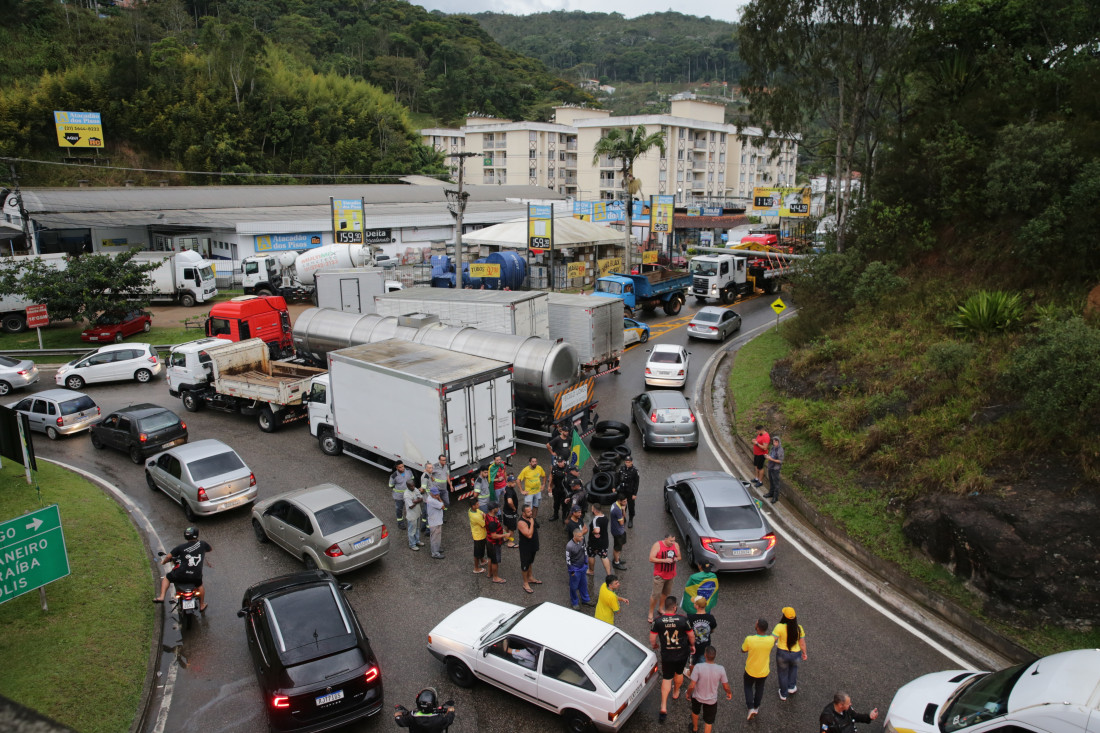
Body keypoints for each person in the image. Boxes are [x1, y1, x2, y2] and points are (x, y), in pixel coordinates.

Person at [650, 595, 695, 724]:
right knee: (679, 673)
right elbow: (691, 635)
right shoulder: (683, 619)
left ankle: (663, 706)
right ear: (675, 607)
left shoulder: (658, 620)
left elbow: (652, 638)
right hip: (681, 653)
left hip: (667, 654)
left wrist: (655, 645)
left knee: (667, 678)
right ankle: (676, 692)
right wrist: (692, 646)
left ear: (665, 607)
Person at [153, 527, 212, 611]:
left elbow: (168, 557)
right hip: (196, 576)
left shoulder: (180, 547)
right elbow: (210, 549)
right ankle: (202, 605)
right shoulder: (202, 544)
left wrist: (163, 562)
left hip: (180, 574)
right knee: (200, 586)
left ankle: (162, 597)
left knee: (167, 578)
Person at [686, 646, 732, 733]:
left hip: (697, 697)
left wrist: (688, 693)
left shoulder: (698, 667)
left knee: (695, 712)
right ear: (714, 656)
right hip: (711, 700)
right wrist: (729, 692)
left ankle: (695, 728)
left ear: (705, 655)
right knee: (708, 722)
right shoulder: (720, 669)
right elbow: (725, 686)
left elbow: (692, 685)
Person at [741, 618, 776, 720]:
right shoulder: (770, 640)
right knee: (759, 688)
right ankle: (756, 707)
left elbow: (743, 650)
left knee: (748, 687)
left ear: (758, 627)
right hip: (764, 671)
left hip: (750, 670)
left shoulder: (750, 639)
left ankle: (750, 707)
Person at [773, 606, 807, 700]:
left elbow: (772, 639)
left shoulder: (779, 627)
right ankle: (791, 687)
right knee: (793, 669)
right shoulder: (799, 628)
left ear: (784, 616)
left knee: (782, 673)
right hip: (796, 654)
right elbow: (802, 643)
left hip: (782, 654)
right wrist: (804, 653)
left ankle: (783, 694)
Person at [648, 532, 681, 624]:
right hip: (660, 575)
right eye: (671, 541)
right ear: (665, 539)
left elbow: (679, 557)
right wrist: (664, 560)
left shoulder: (676, 545)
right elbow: (651, 558)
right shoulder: (657, 545)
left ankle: (661, 608)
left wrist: (675, 559)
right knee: (655, 595)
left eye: (674, 541)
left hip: (671, 575)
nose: (672, 543)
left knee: (665, 593)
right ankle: (651, 612)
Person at [686, 595, 718, 676]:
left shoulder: (691, 618)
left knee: (692, 662)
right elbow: (712, 629)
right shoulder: (710, 618)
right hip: (705, 645)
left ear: (696, 606)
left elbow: (688, 632)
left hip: (693, 646)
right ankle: (701, 675)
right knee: (703, 662)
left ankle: (691, 674)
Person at [517, 505, 542, 593]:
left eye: (531, 511)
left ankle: (530, 577)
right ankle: (525, 583)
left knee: (530, 562)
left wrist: (532, 520)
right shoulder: (521, 522)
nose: (531, 513)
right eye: (528, 512)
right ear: (523, 513)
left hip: (533, 545)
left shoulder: (531, 518)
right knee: (525, 565)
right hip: (525, 547)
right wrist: (531, 523)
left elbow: (537, 527)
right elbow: (529, 535)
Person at [566, 528, 593, 610]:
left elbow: (584, 550)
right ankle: (574, 602)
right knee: (573, 587)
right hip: (575, 569)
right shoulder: (569, 546)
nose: (582, 537)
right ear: (574, 536)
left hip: (582, 567)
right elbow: (568, 559)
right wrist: (572, 571)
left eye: (582, 536)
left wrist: (585, 562)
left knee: (584, 584)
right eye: (580, 536)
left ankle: (585, 599)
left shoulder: (582, 540)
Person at [586, 502, 612, 577]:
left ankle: (591, 570)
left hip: (594, 542)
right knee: (604, 557)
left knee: (591, 555)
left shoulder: (596, 519)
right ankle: (609, 574)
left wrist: (594, 532)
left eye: (592, 509)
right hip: (604, 541)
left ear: (594, 510)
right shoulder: (605, 517)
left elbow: (597, 530)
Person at [484, 502, 506, 583]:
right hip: (494, 543)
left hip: (489, 541)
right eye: (497, 507)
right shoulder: (492, 521)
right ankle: (495, 577)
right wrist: (505, 535)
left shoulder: (488, 515)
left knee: (490, 558)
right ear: (493, 510)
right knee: (495, 561)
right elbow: (494, 536)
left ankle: (489, 573)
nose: (498, 508)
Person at [616, 455, 640, 528]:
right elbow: (618, 478)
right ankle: (623, 517)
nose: (627, 463)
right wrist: (614, 487)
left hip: (630, 491)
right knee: (622, 505)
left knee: (631, 506)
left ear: (631, 462)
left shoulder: (635, 471)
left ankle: (631, 519)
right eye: (626, 462)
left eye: (629, 462)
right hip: (622, 490)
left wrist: (634, 494)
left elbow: (636, 483)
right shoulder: (622, 469)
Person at [389, 461, 414, 529]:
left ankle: (410, 520)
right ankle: (400, 523)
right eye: (400, 467)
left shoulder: (409, 471)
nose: (402, 468)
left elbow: (412, 480)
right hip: (399, 496)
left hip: (408, 495)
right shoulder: (394, 476)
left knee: (409, 507)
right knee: (399, 509)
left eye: (403, 466)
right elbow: (391, 485)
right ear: (397, 468)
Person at [404, 482, 426, 551]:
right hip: (412, 515)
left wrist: (415, 501)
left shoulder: (415, 489)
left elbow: (421, 498)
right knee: (411, 531)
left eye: (414, 485)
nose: (413, 487)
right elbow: (411, 506)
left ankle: (417, 541)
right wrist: (418, 501)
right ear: (407, 486)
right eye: (411, 486)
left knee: (417, 528)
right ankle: (412, 545)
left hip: (417, 513)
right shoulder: (407, 495)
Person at [468, 498, 488, 573]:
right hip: (479, 536)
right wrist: (485, 517)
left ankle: (482, 560)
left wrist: (483, 515)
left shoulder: (471, 510)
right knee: (477, 553)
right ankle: (476, 568)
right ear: (473, 506)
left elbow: (481, 513)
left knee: (481, 549)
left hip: (480, 534)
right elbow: (484, 524)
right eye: (477, 504)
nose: (479, 505)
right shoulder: (475, 517)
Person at [426, 487, 446, 559]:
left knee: (437, 537)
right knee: (435, 538)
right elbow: (443, 506)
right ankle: (435, 553)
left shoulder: (431, 498)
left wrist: (437, 498)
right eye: (435, 495)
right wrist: (439, 498)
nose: (437, 496)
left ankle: (437, 548)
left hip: (436, 521)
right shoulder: (433, 501)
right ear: (431, 493)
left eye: (438, 494)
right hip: (435, 523)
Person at [609, 494, 628, 570]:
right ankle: (616, 562)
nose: (626, 502)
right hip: (618, 531)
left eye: (626, 500)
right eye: (624, 501)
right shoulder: (617, 510)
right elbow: (622, 522)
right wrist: (623, 510)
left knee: (620, 545)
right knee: (617, 548)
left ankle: (617, 558)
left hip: (619, 530)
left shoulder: (615, 504)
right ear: (619, 501)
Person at [763, 436, 785, 503]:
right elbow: (771, 456)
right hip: (770, 467)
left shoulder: (780, 450)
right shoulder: (772, 448)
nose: (774, 443)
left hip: (775, 468)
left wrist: (771, 459)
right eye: (773, 441)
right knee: (771, 481)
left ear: (778, 442)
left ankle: (775, 497)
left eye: (776, 442)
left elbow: (780, 461)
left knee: (776, 483)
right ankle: (771, 493)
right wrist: (767, 456)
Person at [501, 475, 520, 547]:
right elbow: (509, 501)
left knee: (506, 526)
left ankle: (505, 537)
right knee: (511, 528)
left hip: (505, 511)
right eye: (512, 482)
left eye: (515, 482)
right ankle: (510, 542)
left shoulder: (506, 488)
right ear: (508, 482)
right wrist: (514, 508)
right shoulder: (510, 492)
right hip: (510, 513)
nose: (514, 483)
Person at [550, 455, 569, 521]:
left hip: (564, 490)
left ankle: (564, 517)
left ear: (564, 461)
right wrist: (550, 487)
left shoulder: (568, 468)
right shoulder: (554, 467)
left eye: (561, 462)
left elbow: (560, 475)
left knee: (564, 505)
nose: (560, 463)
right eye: (558, 462)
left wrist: (559, 473)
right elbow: (552, 477)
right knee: (556, 504)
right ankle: (555, 515)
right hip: (557, 489)